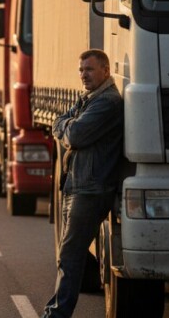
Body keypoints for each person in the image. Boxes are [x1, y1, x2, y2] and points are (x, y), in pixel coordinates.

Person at [42, 49, 123, 318]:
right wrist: (67, 126)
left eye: (89, 69)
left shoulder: (107, 102)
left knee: (70, 256)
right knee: (69, 255)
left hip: (90, 190)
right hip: (77, 186)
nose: (83, 75)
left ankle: (56, 314)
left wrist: (67, 127)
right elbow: (59, 121)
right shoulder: (88, 98)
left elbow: (74, 135)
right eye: (81, 70)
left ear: (105, 71)